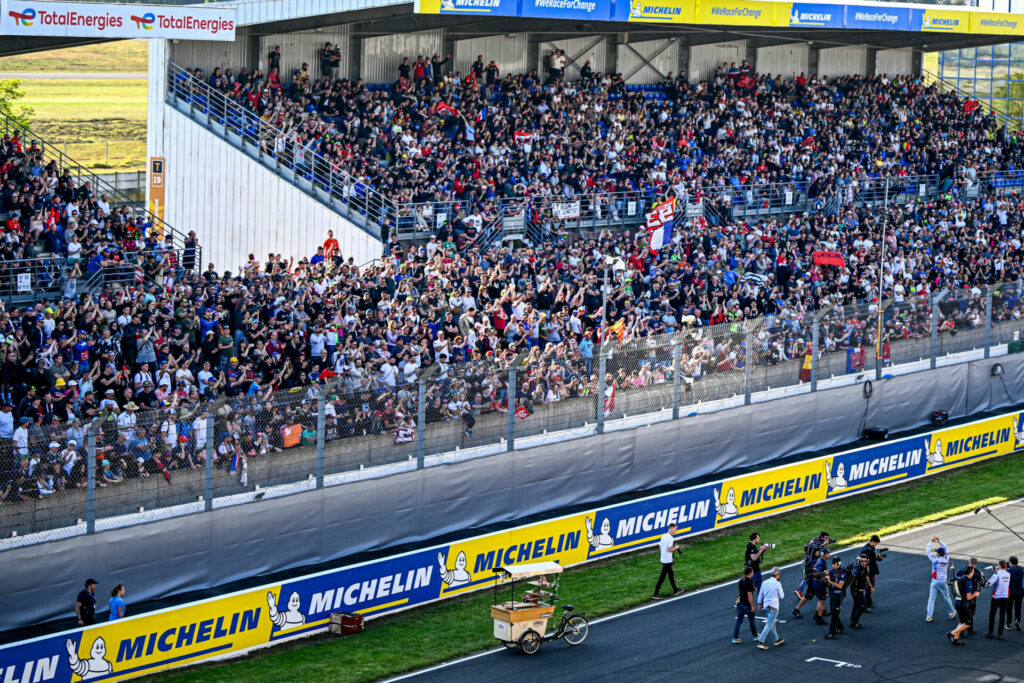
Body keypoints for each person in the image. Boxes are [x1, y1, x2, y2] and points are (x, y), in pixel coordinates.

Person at [793, 547, 830, 624]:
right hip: (816, 583)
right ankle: (819, 617)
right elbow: (816, 573)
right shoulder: (818, 562)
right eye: (827, 554)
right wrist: (825, 575)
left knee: (807, 597)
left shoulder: (820, 561)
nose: (829, 555)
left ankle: (797, 610)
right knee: (821, 599)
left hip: (813, 583)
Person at [926, 537, 956, 622]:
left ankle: (929, 616)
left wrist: (930, 542)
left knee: (931, 598)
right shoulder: (946, 558)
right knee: (946, 597)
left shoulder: (935, 560)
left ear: (938, 554)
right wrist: (939, 542)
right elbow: (946, 548)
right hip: (943, 581)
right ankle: (951, 612)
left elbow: (928, 552)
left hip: (935, 581)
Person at [652, 523, 683, 599]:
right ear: (671, 529)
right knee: (662, 577)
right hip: (667, 560)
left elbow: (660, 546)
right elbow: (669, 549)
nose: (676, 530)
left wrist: (664, 553)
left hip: (663, 559)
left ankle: (675, 590)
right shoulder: (670, 538)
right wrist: (675, 548)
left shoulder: (663, 536)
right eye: (675, 528)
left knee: (670, 574)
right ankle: (655, 594)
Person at [949, 565, 979, 645]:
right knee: (968, 623)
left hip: (957, 601)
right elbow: (968, 597)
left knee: (962, 621)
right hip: (964, 604)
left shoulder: (960, 578)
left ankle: (956, 638)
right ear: (970, 573)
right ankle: (952, 633)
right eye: (973, 572)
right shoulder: (968, 581)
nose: (973, 573)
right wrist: (975, 594)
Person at [756, 567, 785, 650]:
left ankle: (777, 639)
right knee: (769, 624)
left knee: (772, 623)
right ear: (778, 575)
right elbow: (782, 596)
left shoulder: (764, 582)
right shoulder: (777, 584)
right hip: (774, 607)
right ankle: (761, 641)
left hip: (766, 606)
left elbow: (760, 594)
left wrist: (759, 604)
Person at [985, 559, 1011, 639]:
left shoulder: (997, 574)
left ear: (999, 566)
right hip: (1005, 597)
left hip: (996, 596)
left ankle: (990, 631)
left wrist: (984, 582)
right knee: (1002, 615)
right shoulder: (1008, 574)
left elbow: (988, 584)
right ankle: (1000, 633)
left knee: (992, 614)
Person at [848, 554, 873, 629]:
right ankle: (854, 621)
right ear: (860, 561)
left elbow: (866, 577)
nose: (863, 562)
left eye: (865, 561)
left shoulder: (866, 568)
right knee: (861, 606)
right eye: (862, 561)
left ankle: (853, 618)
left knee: (856, 605)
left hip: (861, 590)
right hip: (855, 590)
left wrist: (871, 586)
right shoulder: (857, 569)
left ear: (867, 561)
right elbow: (852, 578)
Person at [733, 566, 758, 644]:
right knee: (751, 621)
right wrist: (753, 606)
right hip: (747, 605)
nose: (753, 573)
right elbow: (750, 596)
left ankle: (735, 638)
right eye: (752, 571)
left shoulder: (741, 580)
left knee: (739, 621)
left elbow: (742, 591)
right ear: (750, 573)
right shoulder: (749, 582)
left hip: (740, 604)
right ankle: (755, 636)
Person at [824, 556, 847, 639]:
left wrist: (830, 581)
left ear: (838, 564)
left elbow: (840, 586)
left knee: (834, 614)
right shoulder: (831, 572)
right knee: (833, 612)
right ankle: (840, 627)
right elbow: (828, 583)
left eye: (834, 563)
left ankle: (832, 632)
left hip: (839, 595)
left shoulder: (843, 573)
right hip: (832, 595)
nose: (832, 565)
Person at [860, 534, 884, 608]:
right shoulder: (866, 549)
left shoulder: (871, 548)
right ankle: (867, 602)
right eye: (876, 543)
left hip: (871, 570)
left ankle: (869, 600)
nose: (876, 545)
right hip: (868, 570)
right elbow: (867, 561)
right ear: (873, 542)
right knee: (869, 586)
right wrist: (876, 558)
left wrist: (879, 557)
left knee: (870, 586)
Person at [1007, 556, 1023, 632]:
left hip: (1011, 591)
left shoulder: (1009, 570)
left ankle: (1009, 624)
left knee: (1009, 607)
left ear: (1010, 562)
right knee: (1018, 607)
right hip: (1019, 591)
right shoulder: (1022, 569)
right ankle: (1017, 621)